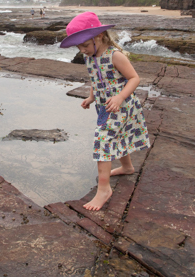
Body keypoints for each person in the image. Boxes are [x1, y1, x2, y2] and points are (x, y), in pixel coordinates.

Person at [60, 12, 150, 211]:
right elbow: (96, 79)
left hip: (122, 106)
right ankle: (127, 167)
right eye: (78, 47)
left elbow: (134, 78)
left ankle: (103, 190)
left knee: (103, 141)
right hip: (104, 106)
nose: (82, 50)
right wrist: (91, 97)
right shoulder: (90, 58)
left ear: (98, 36)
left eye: (84, 45)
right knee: (117, 137)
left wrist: (119, 97)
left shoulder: (114, 55)